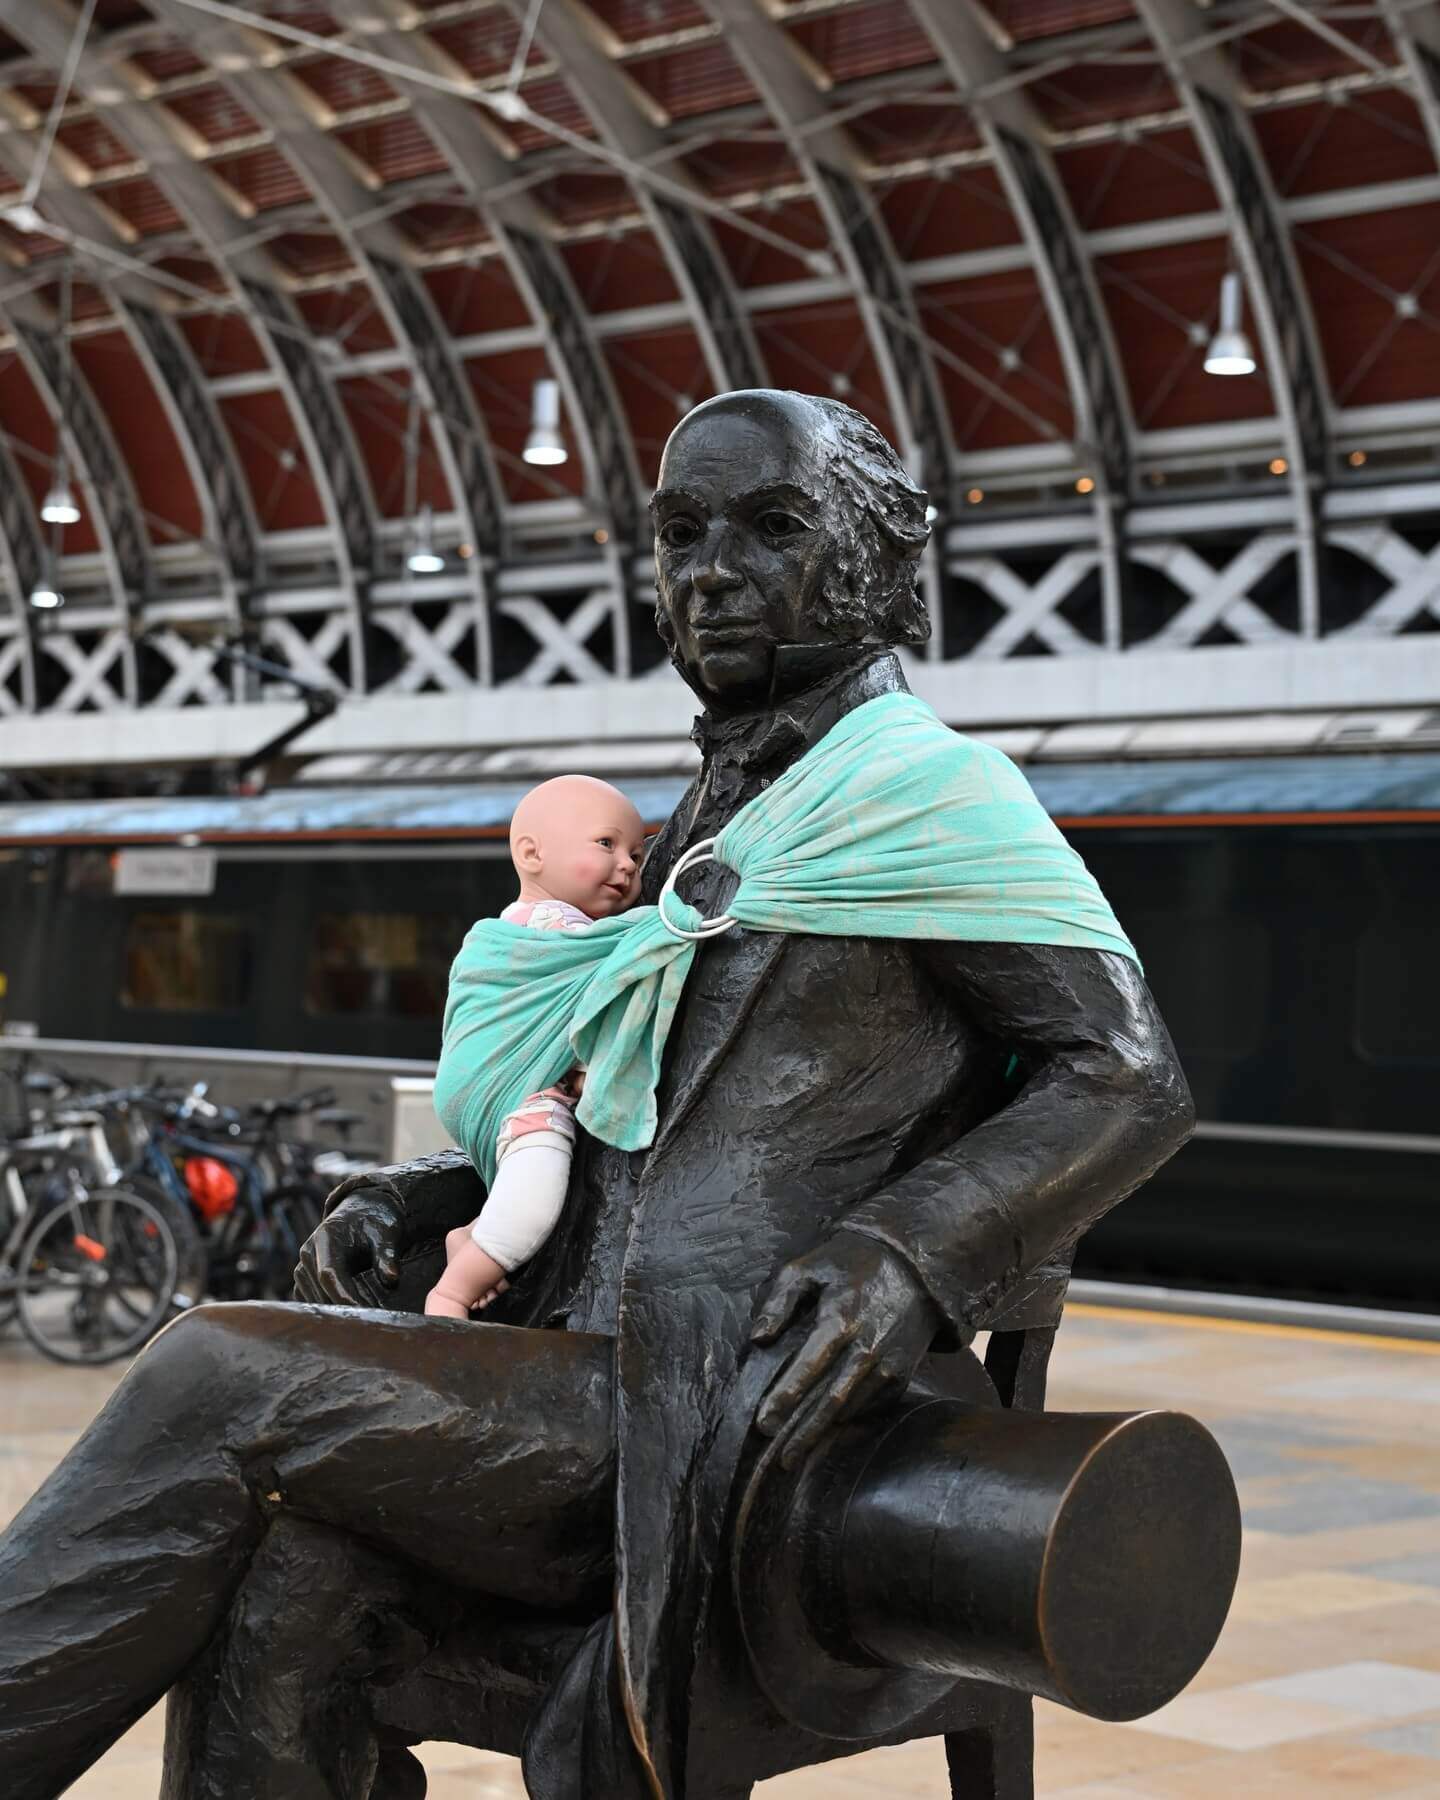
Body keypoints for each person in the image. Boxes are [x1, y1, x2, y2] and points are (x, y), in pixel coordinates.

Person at [0, 390, 1194, 1800]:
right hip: (589, 1375)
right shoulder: (705, 822)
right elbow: (626, 1101)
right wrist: (436, 1189)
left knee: (214, 1367)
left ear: (873, 559)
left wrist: (902, 1251)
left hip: (739, 1408)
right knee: (288, 1589)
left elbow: (1126, 1074)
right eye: (681, 533)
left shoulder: (935, 800)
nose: (709, 571)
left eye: (770, 526)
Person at [424, 775, 645, 1319]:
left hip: (482, 1083)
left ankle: (471, 1236)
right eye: (606, 844)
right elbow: (622, 963)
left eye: (637, 855)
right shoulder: (556, 927)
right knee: (535, 1198)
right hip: (520, 1091)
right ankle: (451, 1292)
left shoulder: (523, 929)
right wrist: (668, 923)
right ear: (531, 853)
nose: (628, 865)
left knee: (518, 1182)